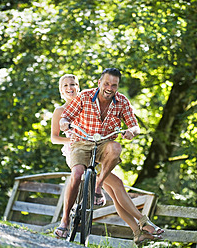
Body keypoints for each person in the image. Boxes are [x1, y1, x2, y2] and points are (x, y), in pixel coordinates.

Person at [54, 69, 164, 244]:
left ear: (118, 86)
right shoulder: (83, 97)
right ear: (99, 82)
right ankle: (65, 220)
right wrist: (64, 122)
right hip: (81, 145)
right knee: (78, 175)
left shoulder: (121, 102)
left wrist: (131, 132)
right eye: (106, 83)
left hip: (102, 147)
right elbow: (64, 117)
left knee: (116, 152)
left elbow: (135, 125)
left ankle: (137, 227)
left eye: (114, 85)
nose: (110, 88)